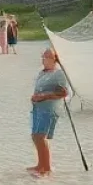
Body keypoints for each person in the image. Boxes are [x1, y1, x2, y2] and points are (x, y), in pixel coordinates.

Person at [28, 48, 69, 177]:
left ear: (53, 59)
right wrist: (35, 97)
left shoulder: (59, 74)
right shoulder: (42, 73)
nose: (43, 59)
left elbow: (63, 93)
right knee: (35, 136)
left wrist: (44, 95)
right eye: (43, 57)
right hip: (38, 108)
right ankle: (40, 164)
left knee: (40, 136)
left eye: (46, 57)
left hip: (49, 109)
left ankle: (46, 168)